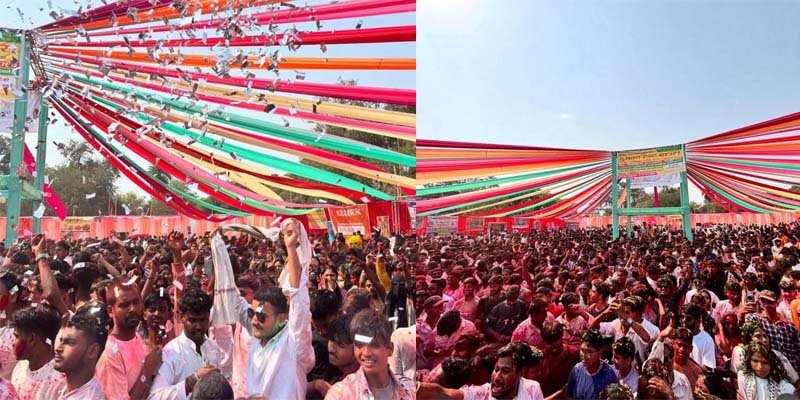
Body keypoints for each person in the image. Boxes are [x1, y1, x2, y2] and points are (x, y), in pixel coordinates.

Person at [246, 219, 315, 399]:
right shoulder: (254, 344)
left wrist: (291, 248)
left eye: (261, 317)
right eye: (252, 314)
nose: (254, 321)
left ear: (283, 317)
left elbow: (298, 297)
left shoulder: (293, 343)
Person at [148, 289, 226, 399]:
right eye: (193, 321)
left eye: (203, 320)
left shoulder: (213, 348)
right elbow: (155, 397)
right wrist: (191, 382)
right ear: (182, 317)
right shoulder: (171, 353)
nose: (198, 327)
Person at [325, 309, 415, 399]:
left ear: (390, 349)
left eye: (374, 345)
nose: (366, 353)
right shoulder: (340, 394)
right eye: (359, 345)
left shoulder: (409, 388)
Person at [96, 277, 162, 400]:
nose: (132, 309)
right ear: (111, 311)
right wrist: (148, 369)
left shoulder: (136, 337)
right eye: (124, 305)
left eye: (136, 302)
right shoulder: (110, 354)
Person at [416, 341, 544, 400]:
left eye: (505, 371)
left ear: (521, 373)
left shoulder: (532, 388)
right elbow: (444, 393)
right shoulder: (480, 395)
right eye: (496, 369)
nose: (497, 377)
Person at [53, 302, 111, 399]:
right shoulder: (59, 386)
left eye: (69, 342)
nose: (59, 348)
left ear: (92, 351)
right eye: (61, 340)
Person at [10, 304, 63, 399]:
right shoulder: (20, 367)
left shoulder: (60, 381)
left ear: (32, 339)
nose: (12, 342)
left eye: (17, 336)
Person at [559, 329, 618, 400]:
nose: (583, 355)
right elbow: (569, 396)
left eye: (589, 352)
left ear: (600, 352)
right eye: (582, 350)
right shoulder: (577, 370)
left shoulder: (609, 376)